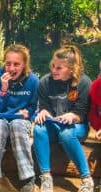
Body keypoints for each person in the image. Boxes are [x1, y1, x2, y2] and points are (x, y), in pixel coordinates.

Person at [33, 45, 93, 192]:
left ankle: (87, 179)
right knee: (38, 129)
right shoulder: (45, 82)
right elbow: (44, 107)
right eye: (53, 66)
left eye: (59, 68)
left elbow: (82, 113)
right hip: (54, 125)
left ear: (71, 69)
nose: (54, 70)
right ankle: (46, 177)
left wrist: (72, 115)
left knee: (66, 133)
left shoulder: (84, 82)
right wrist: (43, 112)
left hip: (77, 126)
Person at [0, 44, 38, 192]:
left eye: (16, 64)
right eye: (8, 64)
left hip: (19, 120)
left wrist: (28, 112)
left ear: (24, 65)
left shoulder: (32, 80)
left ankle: (28, 178)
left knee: (18, 125)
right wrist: (3, 88)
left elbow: (34, 107)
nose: (11, 68)